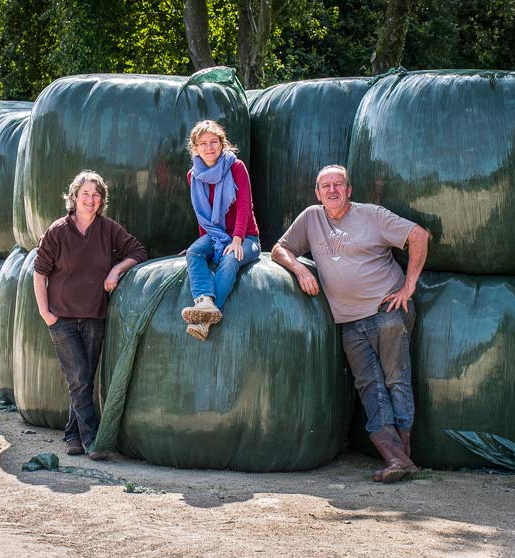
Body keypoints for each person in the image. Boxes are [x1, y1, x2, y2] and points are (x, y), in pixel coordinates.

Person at [270, 164, 429, 483]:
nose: (332, 190)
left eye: (338, 185)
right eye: (325, 185)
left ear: (349, 190)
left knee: (396, 379)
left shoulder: (372, 215)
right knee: (369, 386)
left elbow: (419, 235)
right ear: (317, 192)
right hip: (349, 321)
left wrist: (409, 287)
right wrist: (301, 270)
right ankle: (395, 459)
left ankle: (403, 456)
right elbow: (279, 249)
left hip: (386, 309)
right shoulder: (311, 217)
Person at [33, 170, 147, 461]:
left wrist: (115, 269)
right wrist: (45, 313)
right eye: (85, 193)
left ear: (101, 200)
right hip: (62, 319)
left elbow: (137, 251)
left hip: (95, 316)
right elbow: (39, 273)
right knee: (80, 377)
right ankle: (93, 439)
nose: (91, 199)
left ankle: (72, 436)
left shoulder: (107, 229)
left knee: (81, 379)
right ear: (74, 197)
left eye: (96, 195)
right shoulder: (58, 231)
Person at [180, 120, 260, 341]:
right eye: (203, 143)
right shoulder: (193, 175)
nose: (209, 148)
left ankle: (204, 319)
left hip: (246, 236)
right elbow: (202, 216)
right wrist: (200, 244)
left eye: (214, 142)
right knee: (193, 252)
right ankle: (204, 300)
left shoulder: (236, 167)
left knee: (230, 259)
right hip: (215, 235)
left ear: (222, 144)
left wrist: (237, 239)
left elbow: (245, 206)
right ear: (195, 148)